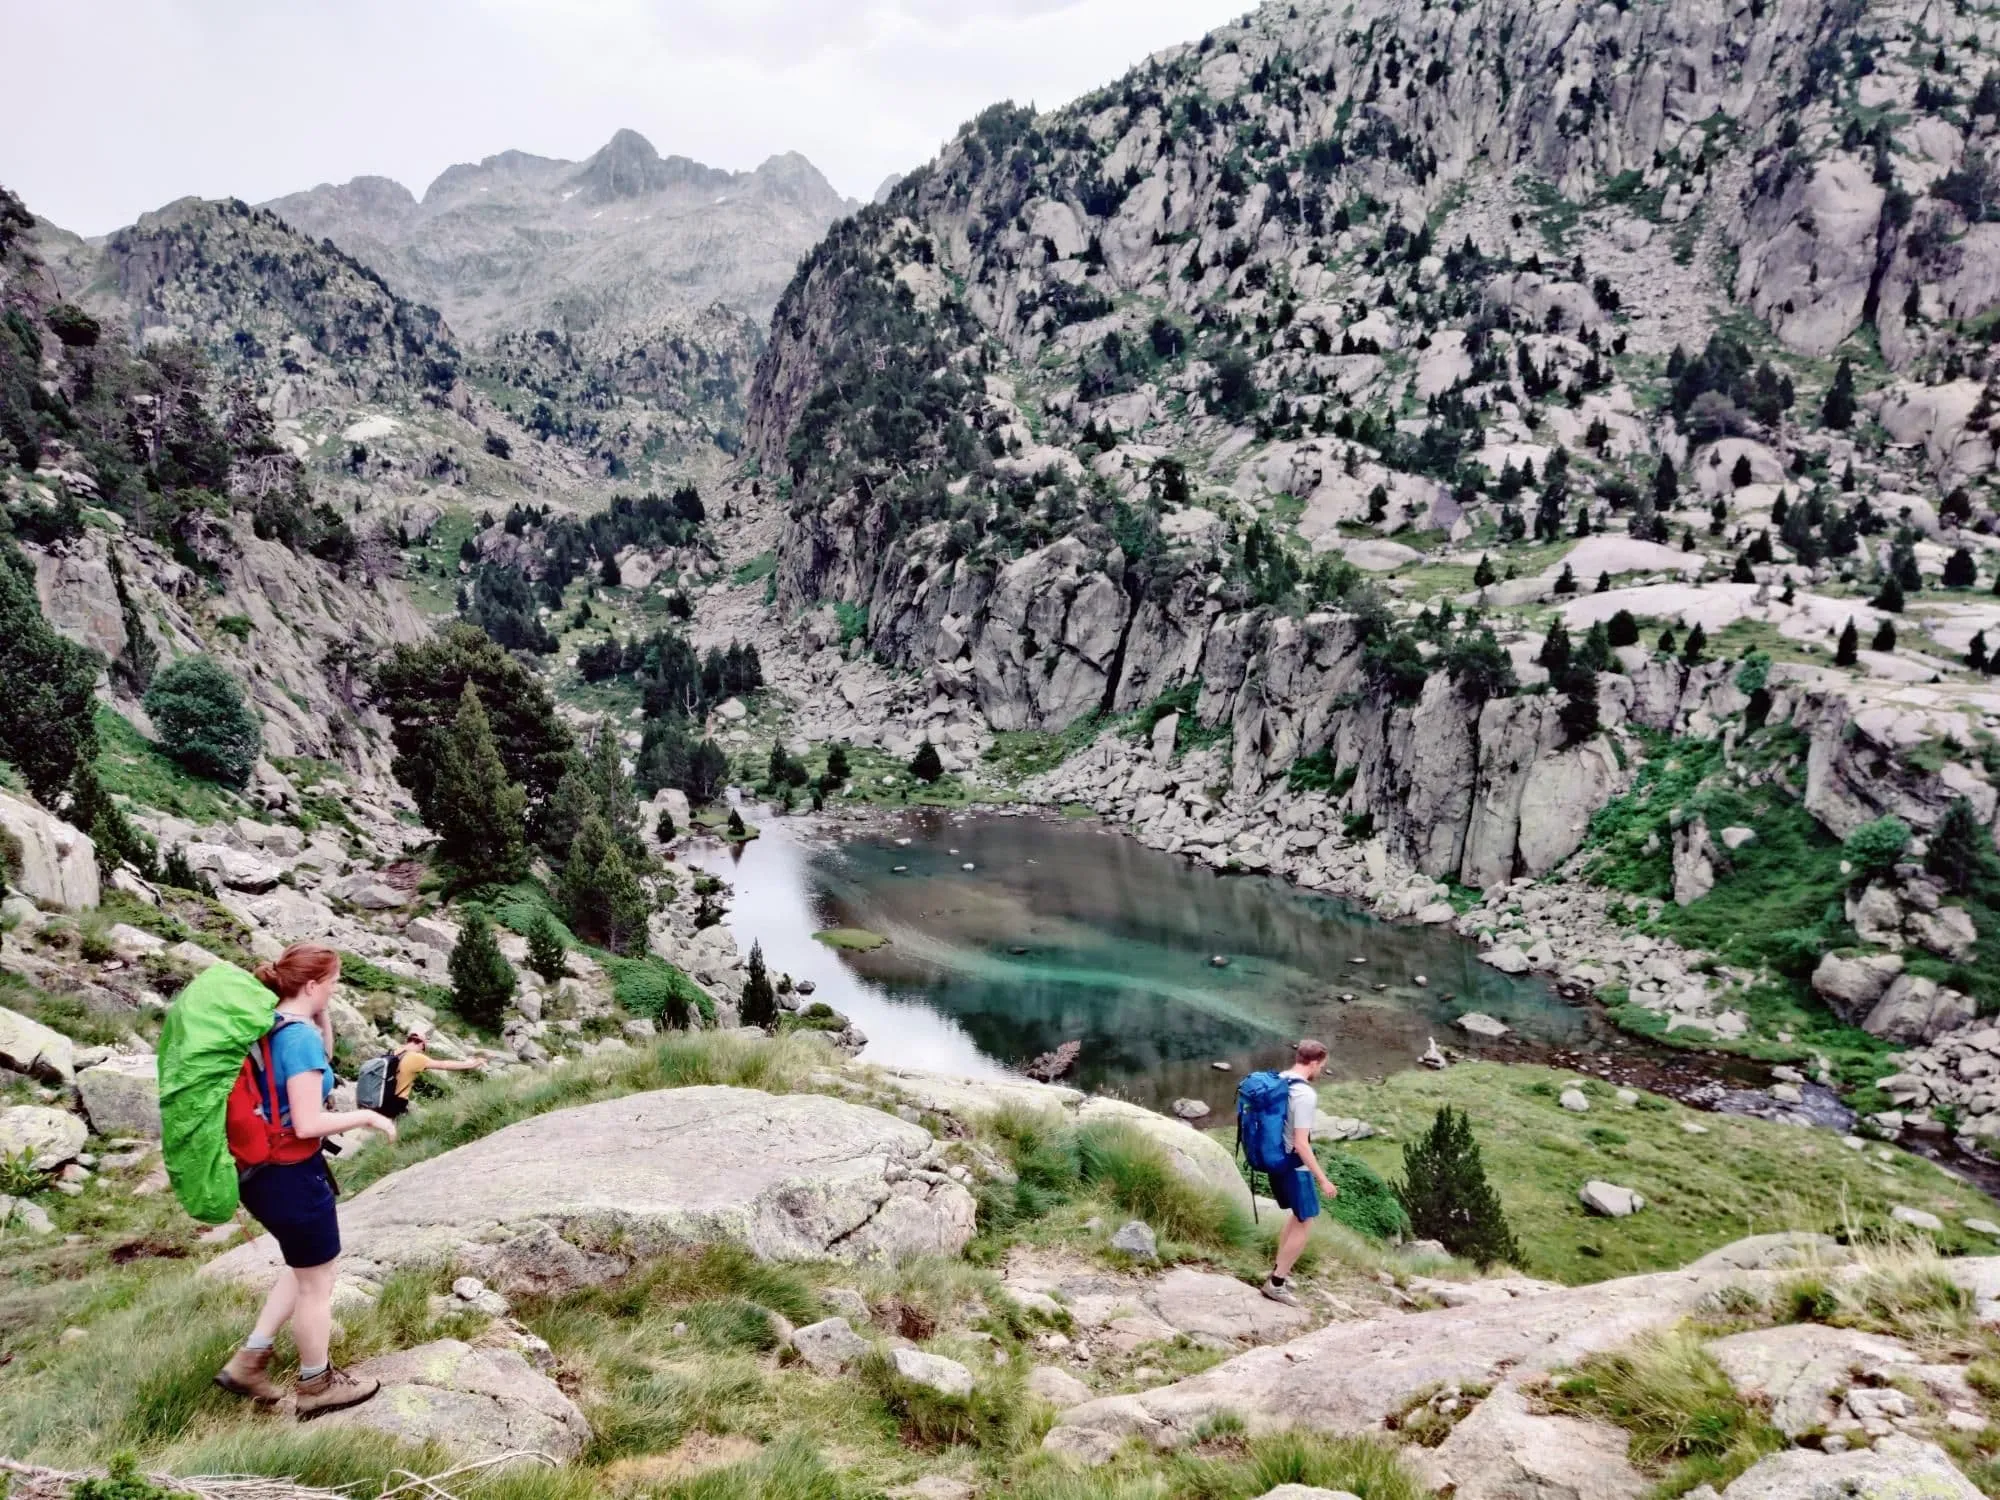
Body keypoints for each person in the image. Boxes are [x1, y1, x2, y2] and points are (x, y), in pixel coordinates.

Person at [214, 943, 400, 1417]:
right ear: (313, 984)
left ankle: (249, 1361)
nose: (336, 990)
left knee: (302, 1269)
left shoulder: (276, 1025)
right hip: (291, 1175)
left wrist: (322, 1014)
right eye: (332, 983)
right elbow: (307, 1122)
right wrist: (368, 1118)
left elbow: (321, 1068)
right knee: (319, 1283)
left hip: (263, 1174)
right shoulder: (297, 1038)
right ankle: (317, 1385)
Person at [1262, 1038, 1339, 1307]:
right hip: (1296, 1166)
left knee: (1297, 1216)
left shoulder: (1279, 1079)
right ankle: (1277, 1283)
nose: (1320, 1072)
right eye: (1321, 1066)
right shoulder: (1305, 1094)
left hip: (1275, 1160)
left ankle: (1276, 1270)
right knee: (1306, 1221)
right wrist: (1324, 1179)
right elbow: (1301, 1143)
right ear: (1315, 1062)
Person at [388, 1029, 484, 1115]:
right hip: (395, 1104)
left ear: (408, 1040)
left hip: (378, 1099)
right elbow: (444, 1065)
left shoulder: (392, 1052)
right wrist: (471, 1064)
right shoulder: (415, 1057)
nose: (422, 1052)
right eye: (423, 1049)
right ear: (422, 1045)